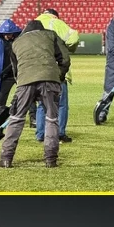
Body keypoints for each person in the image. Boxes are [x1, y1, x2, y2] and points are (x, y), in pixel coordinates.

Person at [0, 19, 71, 168]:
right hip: (50, 80)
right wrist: (59, 76)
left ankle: (6, 158)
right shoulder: (51, 35)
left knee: (16, 119)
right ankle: (51, 159)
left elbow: (16, 70)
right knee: (51, 119)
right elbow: (65, 59)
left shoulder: (16, 43)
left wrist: (22, 85)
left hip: (25, 82)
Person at [35, 9, 79, 143]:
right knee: (61, 104)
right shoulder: (58, 23)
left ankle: (41, 134)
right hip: (57, 69)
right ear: (55, 16)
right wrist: (64, 47)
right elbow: (74, 37)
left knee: (42, 104)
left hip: (38, 70)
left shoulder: (34, 24)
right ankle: (59, 133)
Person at [0, 19, 31, 129]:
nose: (7, 36)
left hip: (20, 73)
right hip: (4, 75)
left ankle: (33, 119)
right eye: (5, 34)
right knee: (0, 97)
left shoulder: (20, 40)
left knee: (29, 94)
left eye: (9, 34)